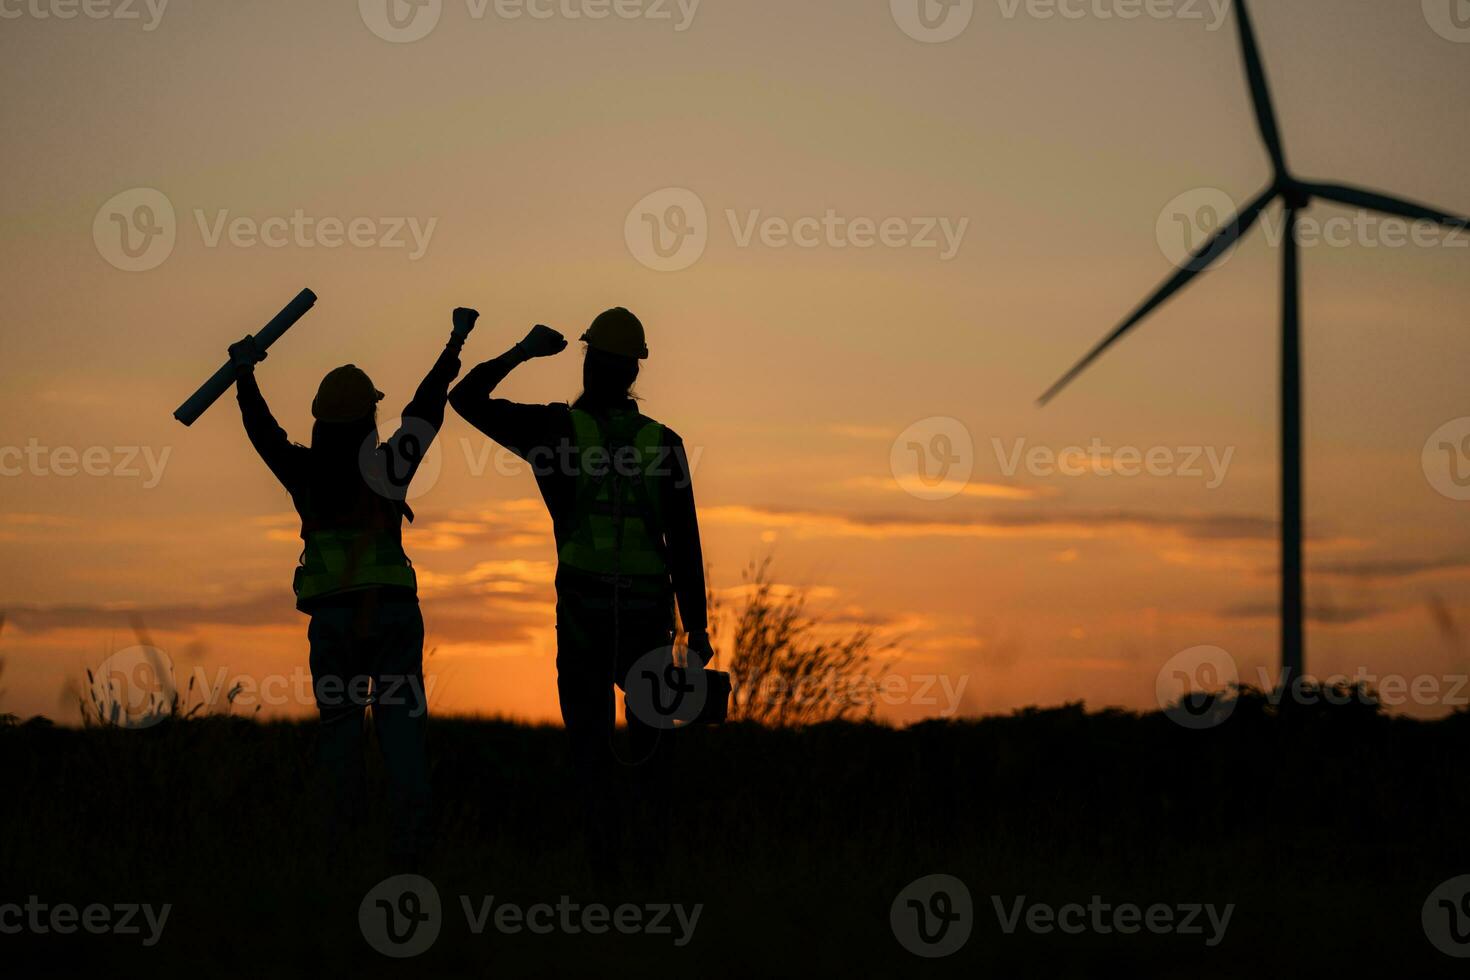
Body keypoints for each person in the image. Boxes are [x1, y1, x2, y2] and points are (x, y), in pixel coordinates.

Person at [448, 307, 711, 876]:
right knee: (652, 746)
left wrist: (522, 350)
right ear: (633, 371)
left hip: (585, 613)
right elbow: (686, 543)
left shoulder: (556, 431)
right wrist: (700, 629)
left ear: (590, 362)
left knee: (591, 747)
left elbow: (464, 399)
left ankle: (604, 867)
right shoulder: (665, 444)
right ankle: (650, 868)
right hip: (648, 615)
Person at [227, 308, 473, 869]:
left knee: (338, 741)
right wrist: (455, 340)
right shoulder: (390, 467)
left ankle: (336, 857)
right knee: (403, 741)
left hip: (334, 624)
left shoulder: (303, 471)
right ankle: (409, 857)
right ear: (369, 418)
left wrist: (244, 374)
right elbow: (427, 410)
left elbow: (263, 433)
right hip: (391, 617)